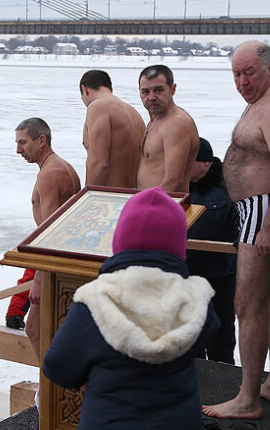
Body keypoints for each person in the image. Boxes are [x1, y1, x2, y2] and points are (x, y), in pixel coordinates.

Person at [43, 186, 218, 430]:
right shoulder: (198, 302)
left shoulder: (96, 301)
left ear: (119, 240)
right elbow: (207, 332)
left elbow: (59, 367)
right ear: (179, 245)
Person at [202, 41, 270, 419]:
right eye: (237, 74)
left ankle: (247, 399)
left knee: (247, 305)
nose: (243, 81)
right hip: (263, 210)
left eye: (250, 73)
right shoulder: (264, 100)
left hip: (266, 210)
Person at [15, 117, 81, 361]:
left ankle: (49, 395)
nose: (18, 150)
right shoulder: (60, 167)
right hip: (64, 261)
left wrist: (40, 278)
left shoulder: (50, 174)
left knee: (35, 328)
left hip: (56, 265)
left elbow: (51, 231)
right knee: (56, 332)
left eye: (23, 142)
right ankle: (52, 394)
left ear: (41, 140)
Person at [187, 137, 239, 364]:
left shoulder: (230, 188)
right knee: (189, 341)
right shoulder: (179, 186)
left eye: (188, 160)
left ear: (206, 163)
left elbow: (244, 227)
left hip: (219, 278)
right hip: (186, 277)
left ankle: (227, 390)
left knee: (221, 342)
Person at [137, 64, 200, 193]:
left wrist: (150, 208)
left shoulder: (177, 123)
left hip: (165, 207)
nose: (152, 97)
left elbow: (173, 180)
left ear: (173, 89)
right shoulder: (155, 121)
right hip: (149, 203)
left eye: (158, 90)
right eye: (145, 92)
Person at [79, 69, 145, 188]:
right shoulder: (135, 114)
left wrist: (86, 198)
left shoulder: (97, 107)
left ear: (85, 90)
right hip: (133, 196)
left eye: (82, 97)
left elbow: (98, 163)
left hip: (109, 198)